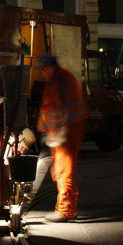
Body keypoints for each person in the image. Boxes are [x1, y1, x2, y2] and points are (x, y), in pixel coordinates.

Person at [35, 53, 88, 222]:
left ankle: (66, 211)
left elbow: (55, 107)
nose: (42, 73)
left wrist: (55, 132)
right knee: (61, 169)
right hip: (67, 129)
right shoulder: (62, 78)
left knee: (64, 170)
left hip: (66, 130)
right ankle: (66, 207)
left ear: (49, 67)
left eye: (43, 70)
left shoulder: (58, 80)